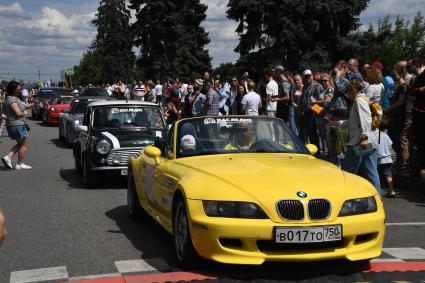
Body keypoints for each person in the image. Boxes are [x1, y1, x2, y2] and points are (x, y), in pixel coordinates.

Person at [338, 78, 381, 195]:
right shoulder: (365, 99)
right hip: (371, 140)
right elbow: (354, 121)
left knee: (347, 170)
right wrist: (337, 123)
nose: (347, 95)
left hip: (359, 142)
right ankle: (378, 196)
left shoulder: (359, 101)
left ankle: (344, 194)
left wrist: (364, 138)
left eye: (348, 91)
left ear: (353, 90)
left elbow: (366, 120)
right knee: (371, 170)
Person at [1, 81, 35, 170]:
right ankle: (19, 164)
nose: (20, 90)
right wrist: (24, 113)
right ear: (14, 89)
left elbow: (24, 106)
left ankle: (8, 157)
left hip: (16, 125)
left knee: (21, 143)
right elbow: (18, 112)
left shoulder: (15, 98)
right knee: (24, 144)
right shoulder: (11, 99)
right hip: (16, 125)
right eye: (18, 88)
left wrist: (34, 104)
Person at [385, 65, 409, 169]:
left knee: (396, 137)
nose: (393, 76)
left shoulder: (403, 86)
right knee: (393, 137)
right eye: (393, 74)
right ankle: (400, 160)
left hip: (399, 115)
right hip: (395, 115)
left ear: (401, 74)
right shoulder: (397, 85)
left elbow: (401, 102)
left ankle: (402, 161)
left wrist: (389, 109)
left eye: (395, 74)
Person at [299, 69, 323, 149]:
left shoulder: (318, 86)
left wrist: (318, 112)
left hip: (314, 112)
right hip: (306, 112)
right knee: (309, 132)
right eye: (306, 76)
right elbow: (303, 99)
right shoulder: (304, 86)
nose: (308, 78)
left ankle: (318, 150)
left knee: (314, 132)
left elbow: (321, 100)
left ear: (312, 76)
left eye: (309, 76)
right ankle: (314, 149)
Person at [377, 126, 396, 198]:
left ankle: (378, 191)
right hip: (388, 158)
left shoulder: (376, 136)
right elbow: (390, 144)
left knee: (377, 175)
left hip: (379, 159)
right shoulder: (386, 135)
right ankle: (391, 190)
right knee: (388, 174)